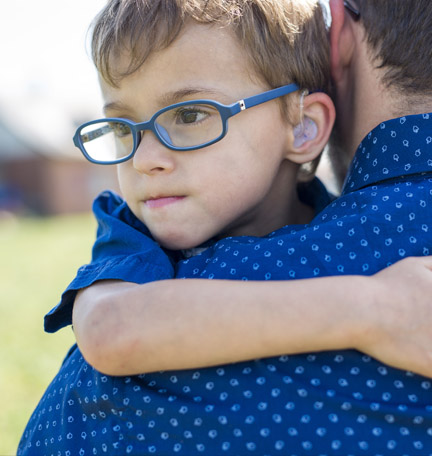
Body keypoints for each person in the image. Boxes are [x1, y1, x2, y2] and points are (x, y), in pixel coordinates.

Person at [18, 0, 432, 455]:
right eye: (123, 127)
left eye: (189, 115)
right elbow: (110, 329)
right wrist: (373, 308)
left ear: (302, 127)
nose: (144, 160)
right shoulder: (133, 232)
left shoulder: (343, 222)